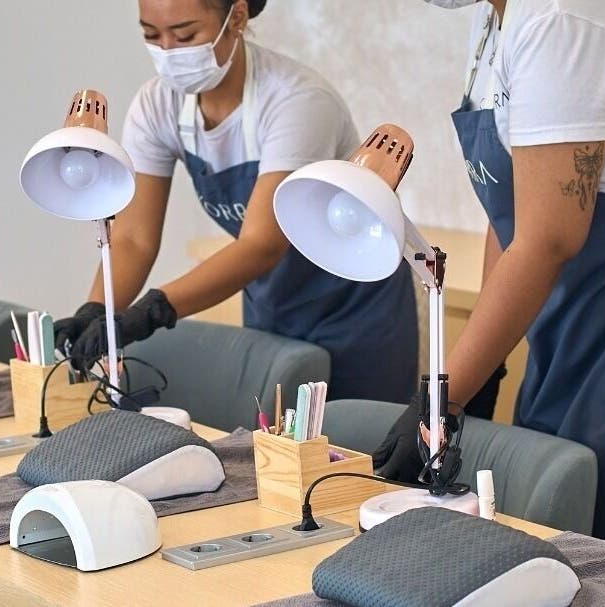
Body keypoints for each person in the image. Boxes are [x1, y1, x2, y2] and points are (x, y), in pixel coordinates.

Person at [374, 0, 605, 544]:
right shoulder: (496, 21)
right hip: (568, 321)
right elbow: (507, 210)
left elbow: (546, 240)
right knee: (549, 520)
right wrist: (486, 368)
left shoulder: (562, 17)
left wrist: (441, 400)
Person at [53, 0, 419, 404]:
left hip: (356, 308)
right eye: (152, 35)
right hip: (273, 298)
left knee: (354, 436)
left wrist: (151, 313)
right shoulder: (157, 106)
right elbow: (134, 238)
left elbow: (261, 244)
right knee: (274, 434)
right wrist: (97, 309)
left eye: (185, 35)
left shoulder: (297, 101)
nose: (168, 51)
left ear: (237, 18)